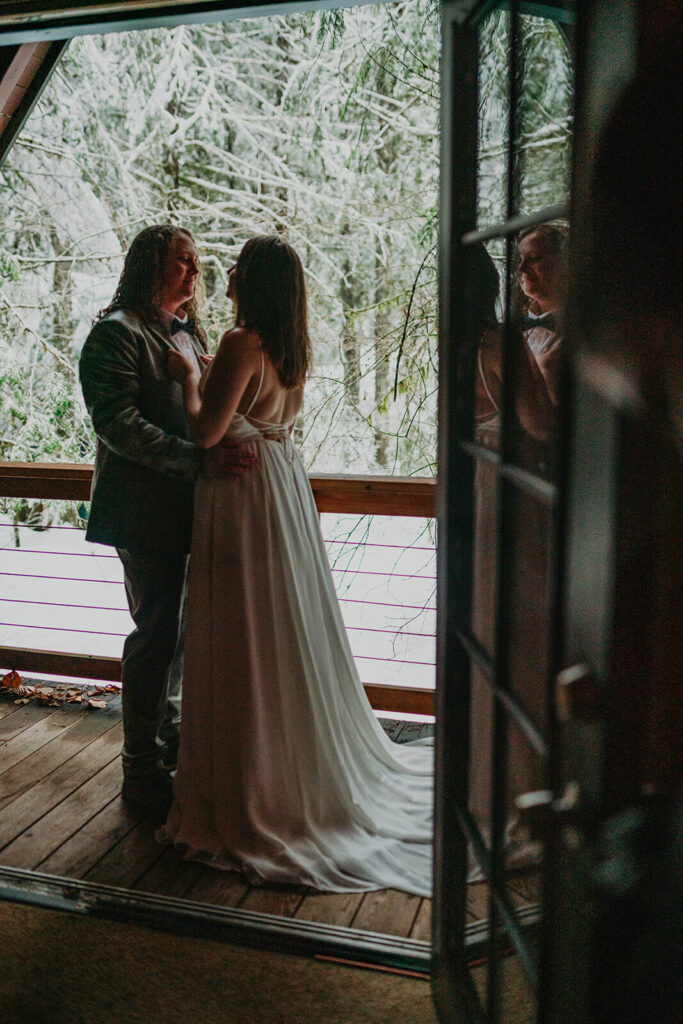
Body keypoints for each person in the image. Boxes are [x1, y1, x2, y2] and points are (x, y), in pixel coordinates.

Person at [158, 235, 433, 896]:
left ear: (251, 282)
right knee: (278, 627)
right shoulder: (290, 348)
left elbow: (205, 430)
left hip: (242, 497)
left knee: (241, 631)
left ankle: (255, 785)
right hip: (280, 486)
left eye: (235, 269)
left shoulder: (238, 344)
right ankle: (285, 765)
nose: (223, 275)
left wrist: (187, 376)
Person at [79, 224, 254, 817]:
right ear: (149, 265)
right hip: (141, 510)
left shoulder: (189, 333)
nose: (194, 271)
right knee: (156, 633)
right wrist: (197, 461)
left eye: (196, 262)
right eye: (181, 261)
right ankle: (138, 766)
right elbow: (117, 424)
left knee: (183, 633)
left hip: (193, 508)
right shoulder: (115, 334)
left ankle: (173, 742)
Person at [516, 222, 568, 406]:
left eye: (534, 258)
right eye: (521, 259)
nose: (522, 268)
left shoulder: (581, 330)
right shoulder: (516, 327)